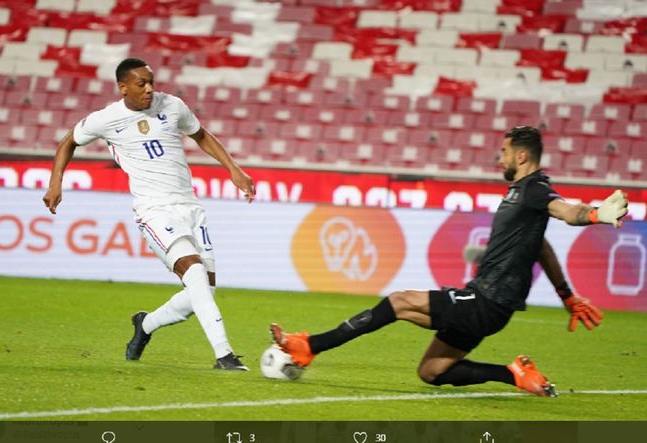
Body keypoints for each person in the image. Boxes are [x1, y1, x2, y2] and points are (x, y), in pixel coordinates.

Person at [271, 126, 628, 396]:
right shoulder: (521, 196)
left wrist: (595, 214)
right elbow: (542, 247)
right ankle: (514, 374)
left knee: (399, 301)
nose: (500, 158)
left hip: (487, 301)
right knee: (432, 371)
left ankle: (311, 345)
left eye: (504, 152)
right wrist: (567, 296)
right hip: (486, 303)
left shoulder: (535, 189)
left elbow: (568, 211)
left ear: (521, 156)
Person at [43, 57, 256, 370]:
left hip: (190, 206)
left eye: (151, 82)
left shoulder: (173, 106)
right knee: (195, 276)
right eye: (141, 83)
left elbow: (202, 135)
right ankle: (224, 355)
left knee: (203, 292)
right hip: (154, 209)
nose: (149, 89)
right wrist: (55, 183)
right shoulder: (107, 119)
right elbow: (67, 143)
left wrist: (233, 169)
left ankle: (145, 325)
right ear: (123, 87)